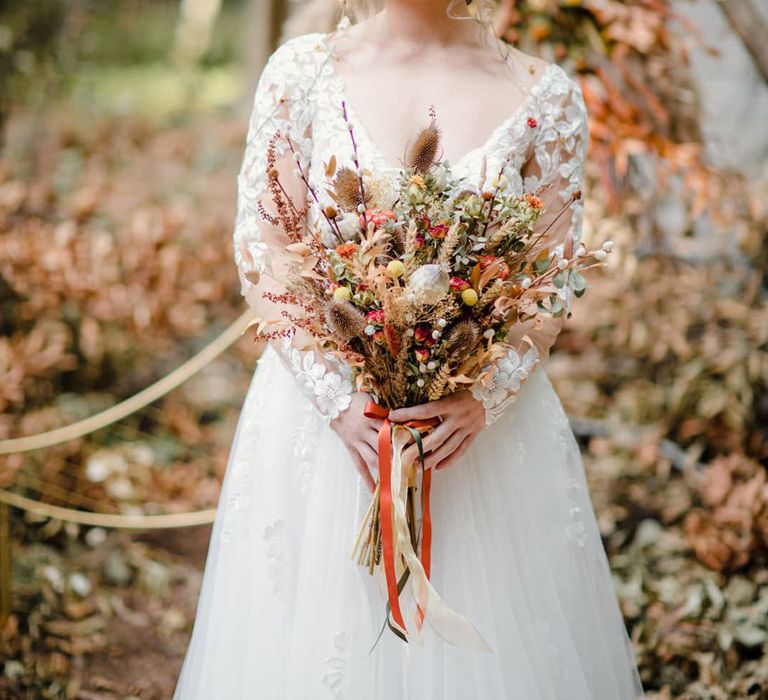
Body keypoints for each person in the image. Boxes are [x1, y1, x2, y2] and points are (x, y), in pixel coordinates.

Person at [174, 1, 646, 697]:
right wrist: (336, 399)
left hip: (474, 440)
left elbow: (553, 277)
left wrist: (485, 395)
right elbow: (264, 251)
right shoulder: (299, 73)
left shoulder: (544, 96)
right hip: (324, 430)